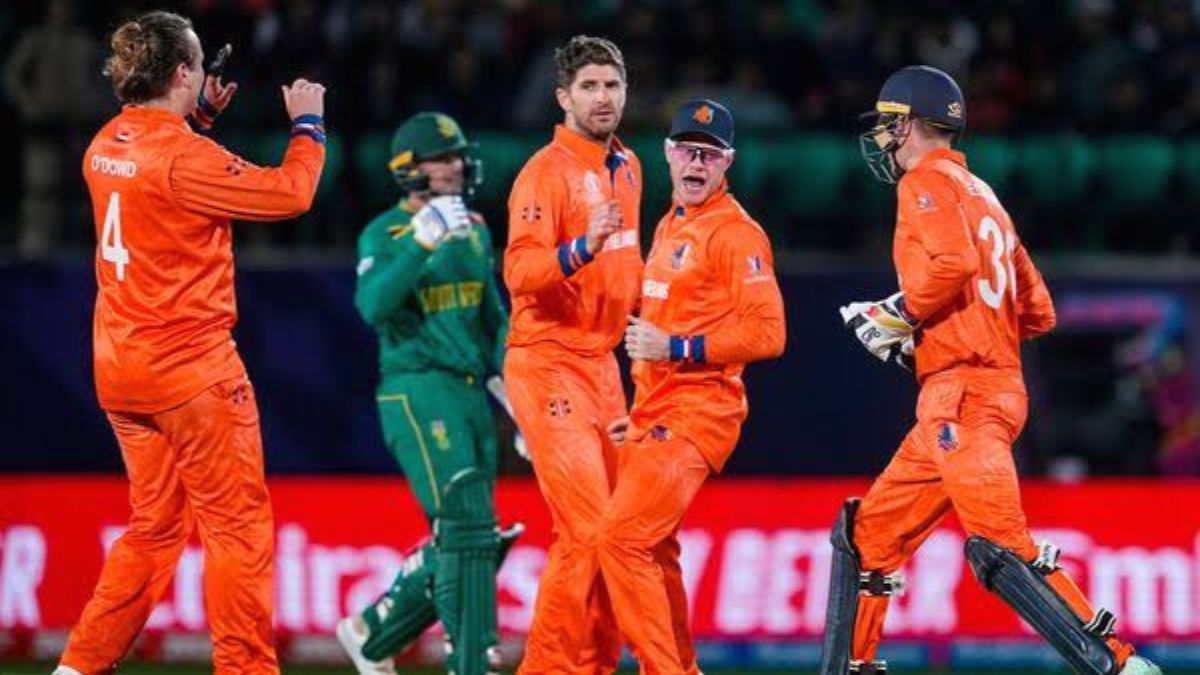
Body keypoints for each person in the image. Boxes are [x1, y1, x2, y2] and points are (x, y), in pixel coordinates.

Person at [821, 65, 1162, 675]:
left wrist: (898, 315)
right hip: (970, 390)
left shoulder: (924, 180)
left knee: (1001, 547)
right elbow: (1039, 310)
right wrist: (941, 335)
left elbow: (951, 265)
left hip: (965, 396)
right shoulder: (984, 194)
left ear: (907, 124)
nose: (881, 138)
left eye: (887, 124)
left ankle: (1121, 666)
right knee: (867, 539)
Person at [55, 10, 326, 675]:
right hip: (191, 374)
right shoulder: (184, 157)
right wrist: (308, 126)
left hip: (121, 370)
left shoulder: (106, 142)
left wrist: (196, 118)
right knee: (237, 528)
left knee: (154, 528)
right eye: (200, 63)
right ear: (181, 73)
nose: (206, 71)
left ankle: (78, 666)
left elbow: (158, 185)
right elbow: (290, 194)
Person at [335, 111, 521, 675]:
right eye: (443, 158)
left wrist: (520, 396)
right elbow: (373, 306)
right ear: (409, 169)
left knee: (472, 535)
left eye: (459, 155)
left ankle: (373, 632)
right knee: (466, 526)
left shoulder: (476, 230)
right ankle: (472, 660)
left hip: (469, 394)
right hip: (415, 388)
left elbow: (492, 321)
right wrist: (422, 238)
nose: (457, 165)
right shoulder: (385, 233)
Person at [610, 98, 786, 673]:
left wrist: (678, 348)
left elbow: (769, 334)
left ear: (728, 162)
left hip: (699, 410)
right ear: (667, 153)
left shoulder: (737, 234)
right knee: (655, 551)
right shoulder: (670, 222)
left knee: (622, 540)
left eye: (710, 155)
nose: (696, 162)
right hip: (657, 410)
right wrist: (640, 409)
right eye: (688, 150)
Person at [503, 35, 643, 674]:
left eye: (611, 85)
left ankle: (593, 666)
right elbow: (519, 272)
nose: (602, 97)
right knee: (588, 530)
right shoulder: (544, 173)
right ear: (563, 98)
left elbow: (628, 266)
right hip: (548, 361)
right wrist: (580, 247)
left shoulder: (629, 166)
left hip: (603, 368)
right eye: (589, 87)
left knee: (619, 532)